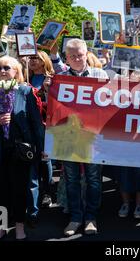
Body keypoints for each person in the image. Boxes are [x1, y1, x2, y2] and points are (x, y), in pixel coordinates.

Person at [0, 56, 45, 241]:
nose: (2, 71)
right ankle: (1, 227)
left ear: (17, 71)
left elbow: (36, 123)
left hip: (19, 150)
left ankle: (19, 226)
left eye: (7, 67)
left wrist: (42, 147)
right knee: (0, 190)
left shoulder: (25, 91)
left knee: (19, 189)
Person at [45, 39, 108, 237]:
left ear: (86, 53)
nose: (77, 59)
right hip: (68, 137)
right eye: (72, 56)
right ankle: (75, 217)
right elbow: (53, 107)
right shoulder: (60, 77)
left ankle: (90, 217)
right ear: (66, 57)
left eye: (80, 55)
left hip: (92, 136)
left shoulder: (100, 75)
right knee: (71, 179)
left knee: (93, 179)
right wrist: (49, 89)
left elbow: (109, 104)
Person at [26, 51, 55, 226]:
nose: (32, 61)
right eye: (30, 58)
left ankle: (47, 191)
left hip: (45, 124)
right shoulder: (25, 77)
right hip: (28, 125)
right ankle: (33, 200)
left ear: (44, 61)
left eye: (35, 58)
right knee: (32, 161)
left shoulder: (50, 78)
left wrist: (47, 91)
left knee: (45, 160)